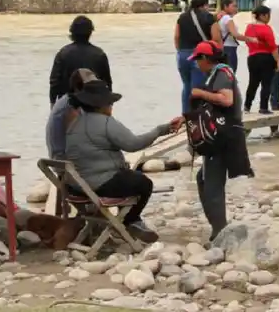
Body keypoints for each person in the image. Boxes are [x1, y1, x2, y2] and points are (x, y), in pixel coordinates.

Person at [63, 80, 182, 243]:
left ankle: (126, 222)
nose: (112, 106)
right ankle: (129, 221)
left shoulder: (74, 123)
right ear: (101, 104)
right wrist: (160, 130)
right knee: (143, 183)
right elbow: (133, 144)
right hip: (98, 185)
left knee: (126, 177)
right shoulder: (105, 122)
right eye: (110, 103)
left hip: (76, 187)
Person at [188, 41, 253, 242]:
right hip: (224, 134)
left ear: (205, 59)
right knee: (203, 178)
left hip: (223, 137)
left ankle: (219, 231)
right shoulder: (218, 73)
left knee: (212, 183)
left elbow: (226, 100)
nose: (196, 64)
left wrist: (199, 93)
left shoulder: (222, 73)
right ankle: (218, 227)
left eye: (198, 60)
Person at [174, 0, 222, 113]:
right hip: (201, 55)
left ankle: (186, 115)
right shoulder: (209, 18)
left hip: (183, 55)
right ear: (205, 4)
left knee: (186, 86)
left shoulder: (182, 17)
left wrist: (180, 52)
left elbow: (176, 36)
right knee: (199, 88)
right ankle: (198, 116)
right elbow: (216, 39)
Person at [48, 16, 112, 105]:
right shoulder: (99, 55)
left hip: (68, 105)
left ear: (72, 32)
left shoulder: (63, 54)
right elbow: (107, 83)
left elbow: (54, 82)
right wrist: (108, 105)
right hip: (93, 105)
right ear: (90, 32)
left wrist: (53, 104)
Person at [45, 68, 97, 159]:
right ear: (77, 88)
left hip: (60, 157)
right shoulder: (71, 107)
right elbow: (75, 141)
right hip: (65, 161)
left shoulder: (68, 100)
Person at [243, 5, 279, 115]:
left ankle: (247, 106)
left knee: (253, 83)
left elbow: (247, 41)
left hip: (252, 57)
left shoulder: (249, 27)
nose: (269, 18)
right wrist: (278, 61)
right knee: (266, 83)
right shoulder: (266, 28)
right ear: (263, 15)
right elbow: (273, 46)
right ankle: (263, 107)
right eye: (268, 15)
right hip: (266, 57)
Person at [216, 0, 255, 73]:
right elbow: (235, 34)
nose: (236, 8)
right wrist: (251, 39)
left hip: (223, 47)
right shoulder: (227, 19)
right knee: (231, 73)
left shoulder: (221, 18)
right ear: (225, 6)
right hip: (230, 49)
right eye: (233, 6)